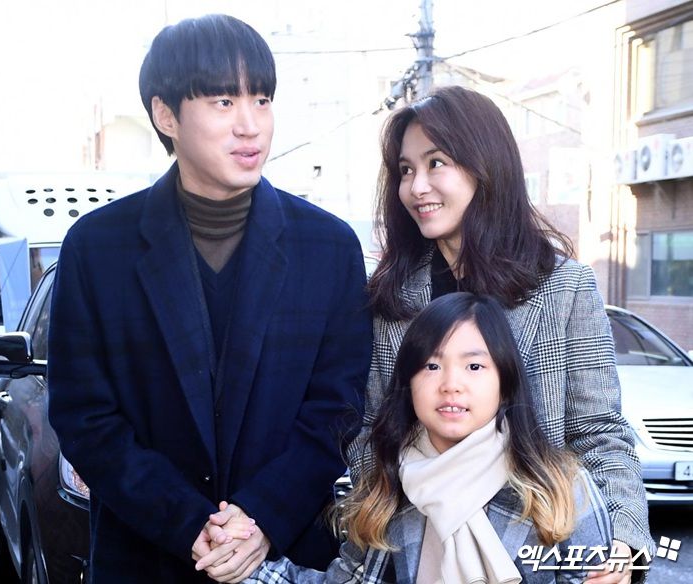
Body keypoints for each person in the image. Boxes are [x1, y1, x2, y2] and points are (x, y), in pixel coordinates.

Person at [47, 14, 372, 584]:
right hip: (145, 558)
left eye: (262, 100)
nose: (250, 125)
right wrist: (186, 523)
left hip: (289, 556)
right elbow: (86, 417)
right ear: (166, 115)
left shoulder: (328, 246)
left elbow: (338, 409)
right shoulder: (97, 248)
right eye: (224, 101)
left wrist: (262, 518)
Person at [344, 86, 653, 584]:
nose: (416, 186)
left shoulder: (564, 286)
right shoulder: (391, 297)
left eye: (436, 163)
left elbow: (599, 430)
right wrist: (391, 517)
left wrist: (624, 539)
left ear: (485, 166)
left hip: (536, 546)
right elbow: (370, 428)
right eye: (405, 170)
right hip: (420, 547)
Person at [203, 292, 614, 583]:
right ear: (408, 383)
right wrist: (237, 558)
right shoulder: (388, 490)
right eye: (431, 366)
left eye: (474, 367)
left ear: (505, 383)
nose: (451, 384)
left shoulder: (560, 489)